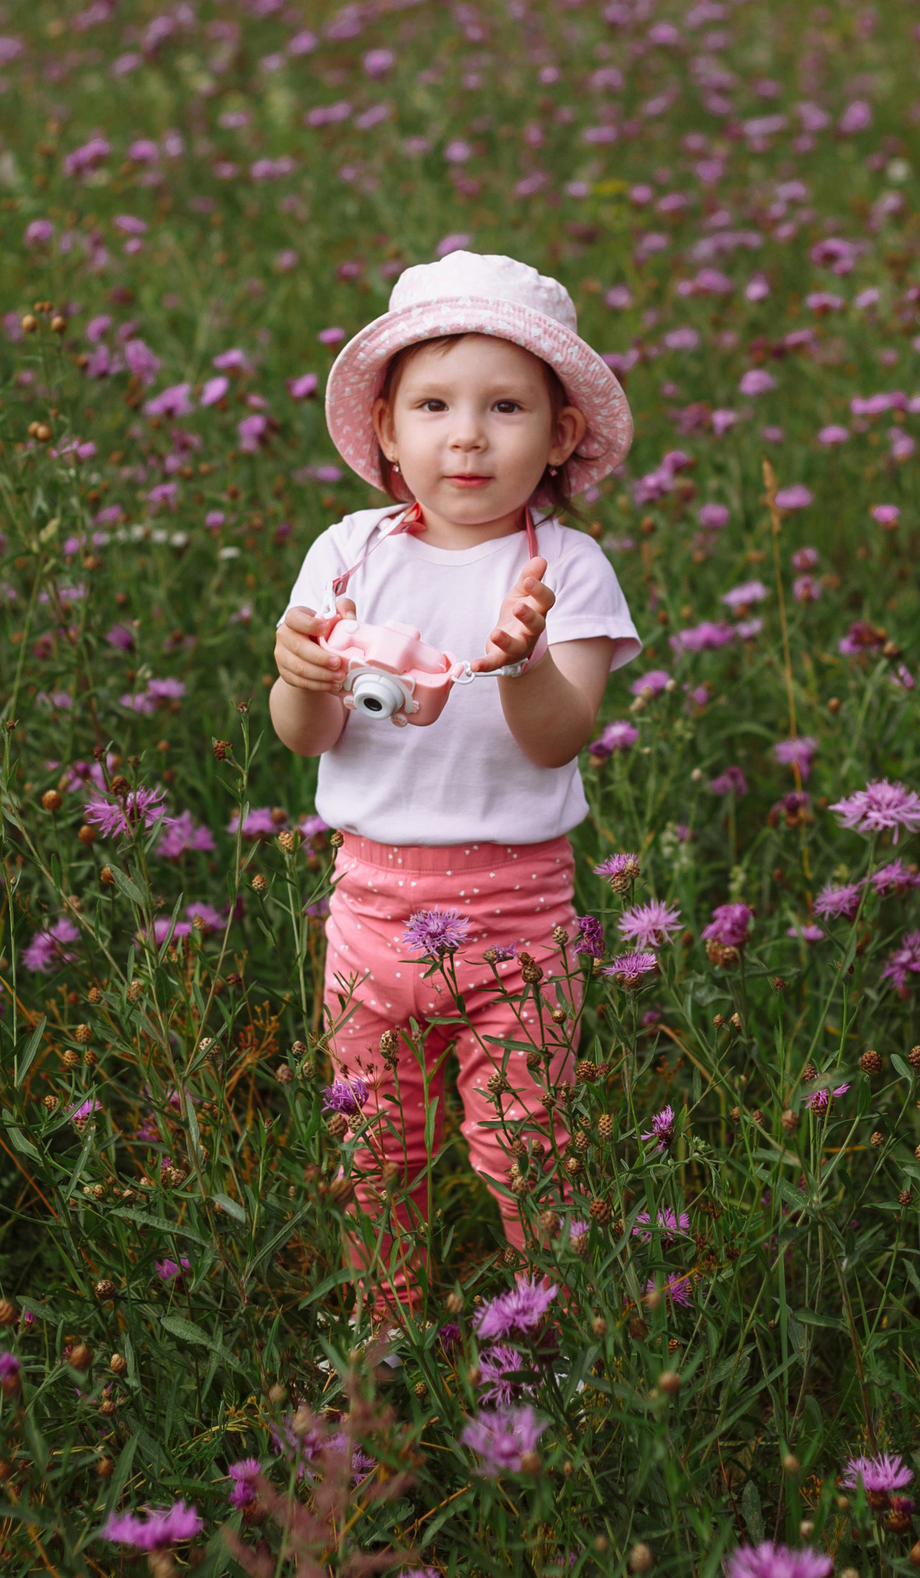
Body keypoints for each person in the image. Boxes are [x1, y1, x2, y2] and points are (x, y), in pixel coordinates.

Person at [271, 250, 639, 1341]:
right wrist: (295, 679)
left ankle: (552, 1340)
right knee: (371, 1143)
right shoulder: (346, 555)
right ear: (386, 429)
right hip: (368, 907)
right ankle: (382, 1333)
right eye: (433, 404)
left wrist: (524, 660)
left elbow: (558, 739)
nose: (466, 436)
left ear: (560, 435)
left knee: (528, 1145)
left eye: (506, 406)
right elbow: (309, 735)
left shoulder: (562, 571)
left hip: (520, 912)